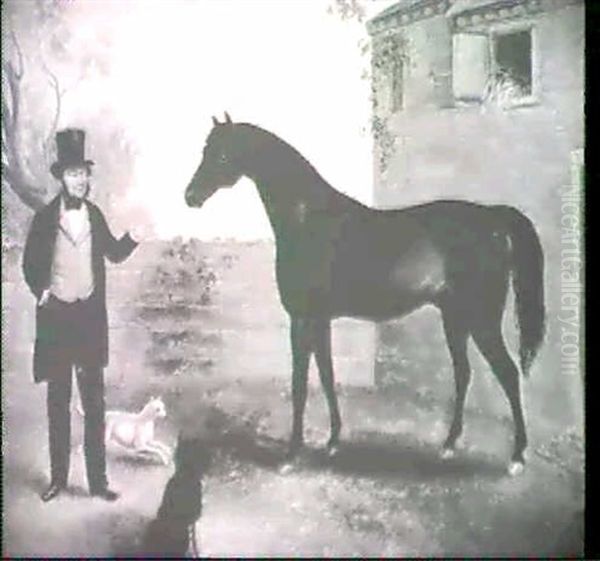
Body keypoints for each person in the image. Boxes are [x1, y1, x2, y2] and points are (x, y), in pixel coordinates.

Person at [22, 128, 146, 502]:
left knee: (95, 407)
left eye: (84, 174)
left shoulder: (94, 214)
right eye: (74, 174)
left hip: (89, 323)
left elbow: (113, 252)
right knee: (58, 403)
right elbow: (29, 264)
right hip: (57, 321)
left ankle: (97, 483)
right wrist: (41, 291)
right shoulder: (44, 220)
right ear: (61, 177)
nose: (81, 181)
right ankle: (58, 480)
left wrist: (133, 237)